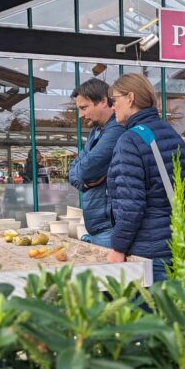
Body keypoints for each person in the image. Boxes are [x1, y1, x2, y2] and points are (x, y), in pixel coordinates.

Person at [105, 74, 185, 283]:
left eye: (114, 100)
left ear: (130, 98)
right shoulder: (172, 135)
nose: (112, 107)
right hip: (176, 242)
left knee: (146, 312)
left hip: (146, 250)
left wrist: (118, 247)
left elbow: (131, 204)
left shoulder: (130, 140)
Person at [67, 78, 125, 247]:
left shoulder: (116, 131)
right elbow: (73, 172)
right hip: (99, 226)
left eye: (84, 108)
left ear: (104, 101)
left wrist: (84, 176)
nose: (81, 115)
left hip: (110, 226)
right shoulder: (96, 131)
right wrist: (85, 182)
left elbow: (84, 170)